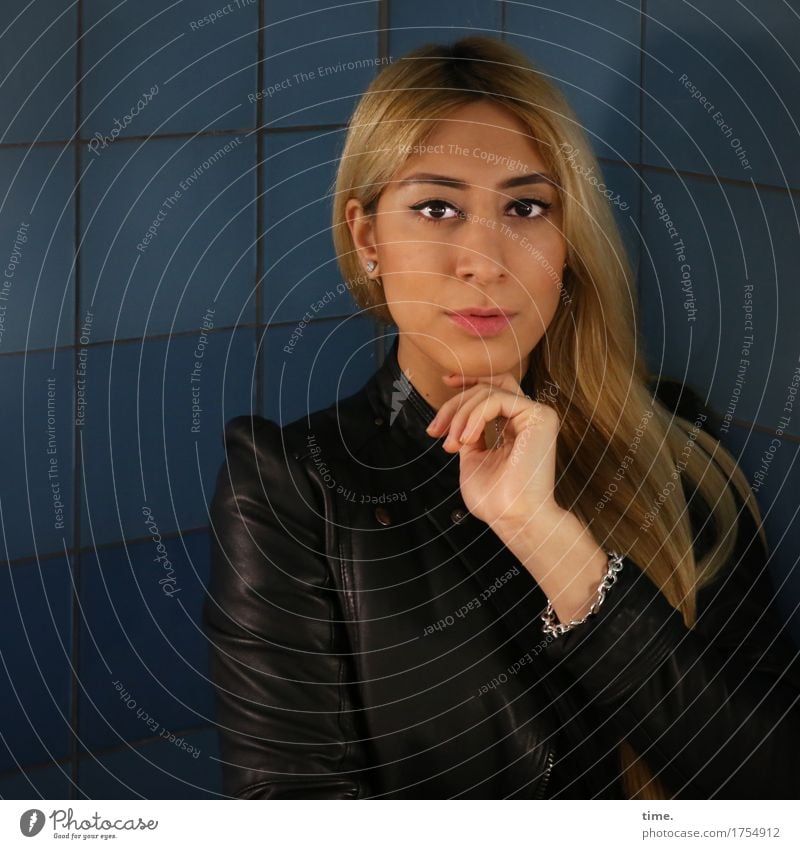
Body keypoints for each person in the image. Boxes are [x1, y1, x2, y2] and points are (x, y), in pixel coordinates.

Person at [202, 35, 800, 799]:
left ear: (567, 239)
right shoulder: (289, 490)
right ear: (367, 236)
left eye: (526, 206)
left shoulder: (675, 442)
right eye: (437, 207)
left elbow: (774, 791)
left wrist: (552, 542)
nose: (486, 259)